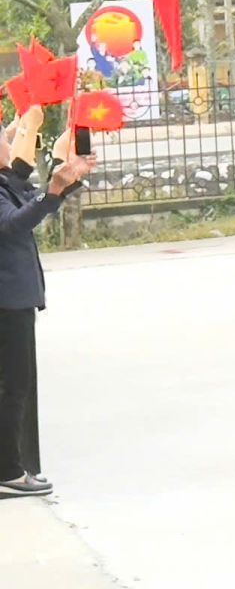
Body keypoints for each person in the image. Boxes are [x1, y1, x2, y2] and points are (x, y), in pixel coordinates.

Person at [0, 106, 95, 498]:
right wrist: (55, 189)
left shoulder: (4, 181)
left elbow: (23, 191)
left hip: (14, 298)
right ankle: (8, 471)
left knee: (15, 385)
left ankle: (13, 466)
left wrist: (63, 173)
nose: (11, 141)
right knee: (13, 386)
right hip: (7, 301)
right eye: (6, 137)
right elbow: (11, 225)